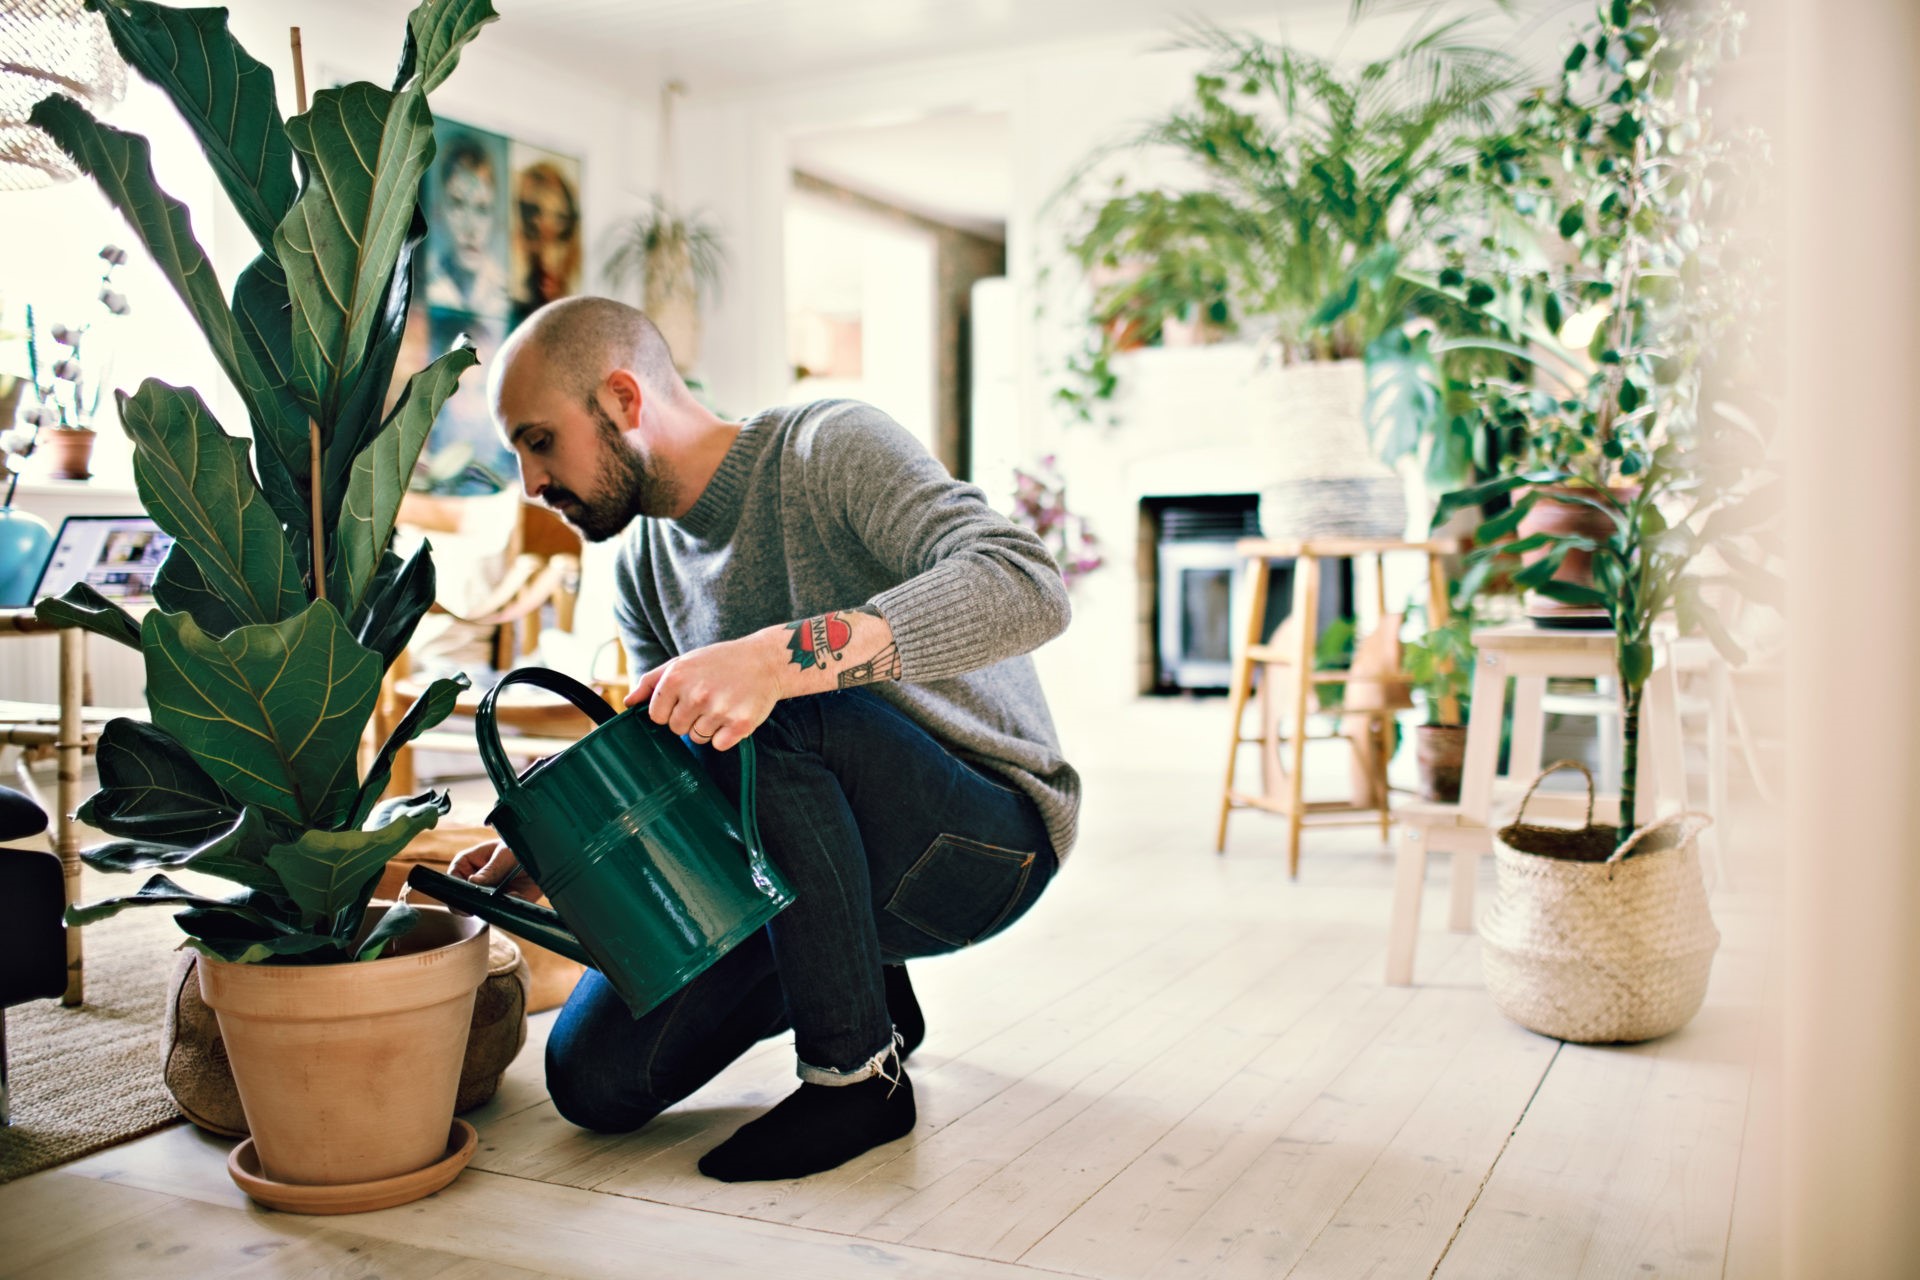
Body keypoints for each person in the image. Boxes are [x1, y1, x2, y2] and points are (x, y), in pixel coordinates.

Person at [449, 295, 1079, 1182]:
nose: (530, 484)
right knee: (594, 1078)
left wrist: (776, 660)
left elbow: (1027, 585)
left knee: (760, 717)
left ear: (625, 400)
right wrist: (556, 840)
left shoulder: (831, 447)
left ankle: (855, 1076)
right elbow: (670, 756)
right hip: (812, 852)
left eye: (540, 441)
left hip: (983, 843)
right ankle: (870, 991)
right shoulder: (641, 565)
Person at [425, 132, 508, 317]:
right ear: (439, 212)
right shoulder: (426, 284)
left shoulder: (505, 295)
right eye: (458, 204)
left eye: (482, 208)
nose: (471, 229)